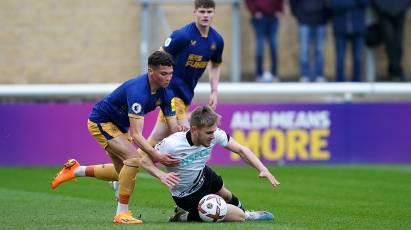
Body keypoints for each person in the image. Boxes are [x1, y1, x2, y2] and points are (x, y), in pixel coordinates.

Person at [51, 51, 186, 224]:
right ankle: (122, 213)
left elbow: (173, 126)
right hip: (101, 121)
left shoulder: (166, 93)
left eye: (170, 73)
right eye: (164, 74)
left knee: (122, 172)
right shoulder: (138, 91)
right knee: (133, 159)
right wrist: (156, 155)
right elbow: (136, 135)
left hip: (119, 126)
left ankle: (75, 170)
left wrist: (183, 130)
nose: (168, 78)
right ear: (151, 71)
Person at [152, 105, 281, 222]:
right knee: (238, 217)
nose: (213, 136)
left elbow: (241, 150)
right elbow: (142, 158)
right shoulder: (172, 144)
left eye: (214, 131)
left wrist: (262, 169)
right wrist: (160, 174)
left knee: (226, 194)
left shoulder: (215, 133)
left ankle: (245, 212)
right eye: (209, 132)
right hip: (187, 194)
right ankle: (183, 216)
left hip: (204, 174)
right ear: (194, 129)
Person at [290, 0, 330, 82]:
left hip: (320, 20)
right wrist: (299, 15)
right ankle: (305, 75)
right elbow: (293, 3)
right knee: (304, 50)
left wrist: (326, 16)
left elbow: (329, 3)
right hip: (304, 19)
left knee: (319, 49)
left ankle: (319, 75)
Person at [330, 0, 369, 82]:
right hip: (340, 28)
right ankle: (339, 83)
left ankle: (357, 83)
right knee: (340, 57)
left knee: (358, 58)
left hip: (358, 28)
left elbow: (366, 3)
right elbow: (334, 5)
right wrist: (353, 3)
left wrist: (345, 3)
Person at [372, 0, 411, 81]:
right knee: (390, 42)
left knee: (397, 43)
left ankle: (396, 69)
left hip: (398, 10)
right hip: (385, 11)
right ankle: (394, 70)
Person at [245, 0, 284, 82]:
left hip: (273, 17)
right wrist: (254, 11)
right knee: (260, 46)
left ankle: (274, 74)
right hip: (259, 17)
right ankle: (259, 74)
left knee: (273, 46)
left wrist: (279, 9)